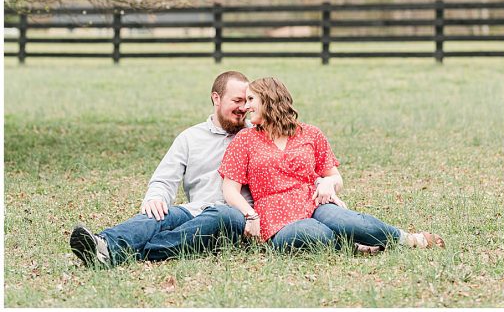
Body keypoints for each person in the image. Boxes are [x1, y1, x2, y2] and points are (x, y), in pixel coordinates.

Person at [219, 77, 444, 252]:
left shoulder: (310, 134)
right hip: (275, 216)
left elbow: (336, 177)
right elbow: (230, 189)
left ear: (269, 100)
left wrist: (329, 183)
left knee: (352, 223)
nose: (246, 107)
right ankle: (355, 247)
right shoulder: (245, 140)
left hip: (314, 202)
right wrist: (251, 215)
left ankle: (409, 240)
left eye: (251, 100)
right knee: (313, 234)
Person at [69, 71, 252, 267]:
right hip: (194, 211)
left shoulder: (256, 135)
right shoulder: (190, 138)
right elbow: (164, 179)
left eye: (247, 101)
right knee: (158, 215)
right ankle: (104, 244)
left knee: (224, 215)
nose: (243, 108)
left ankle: (125, 253)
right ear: (216, 98)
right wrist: (155, 198)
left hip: (235, 215)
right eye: (237, 100)